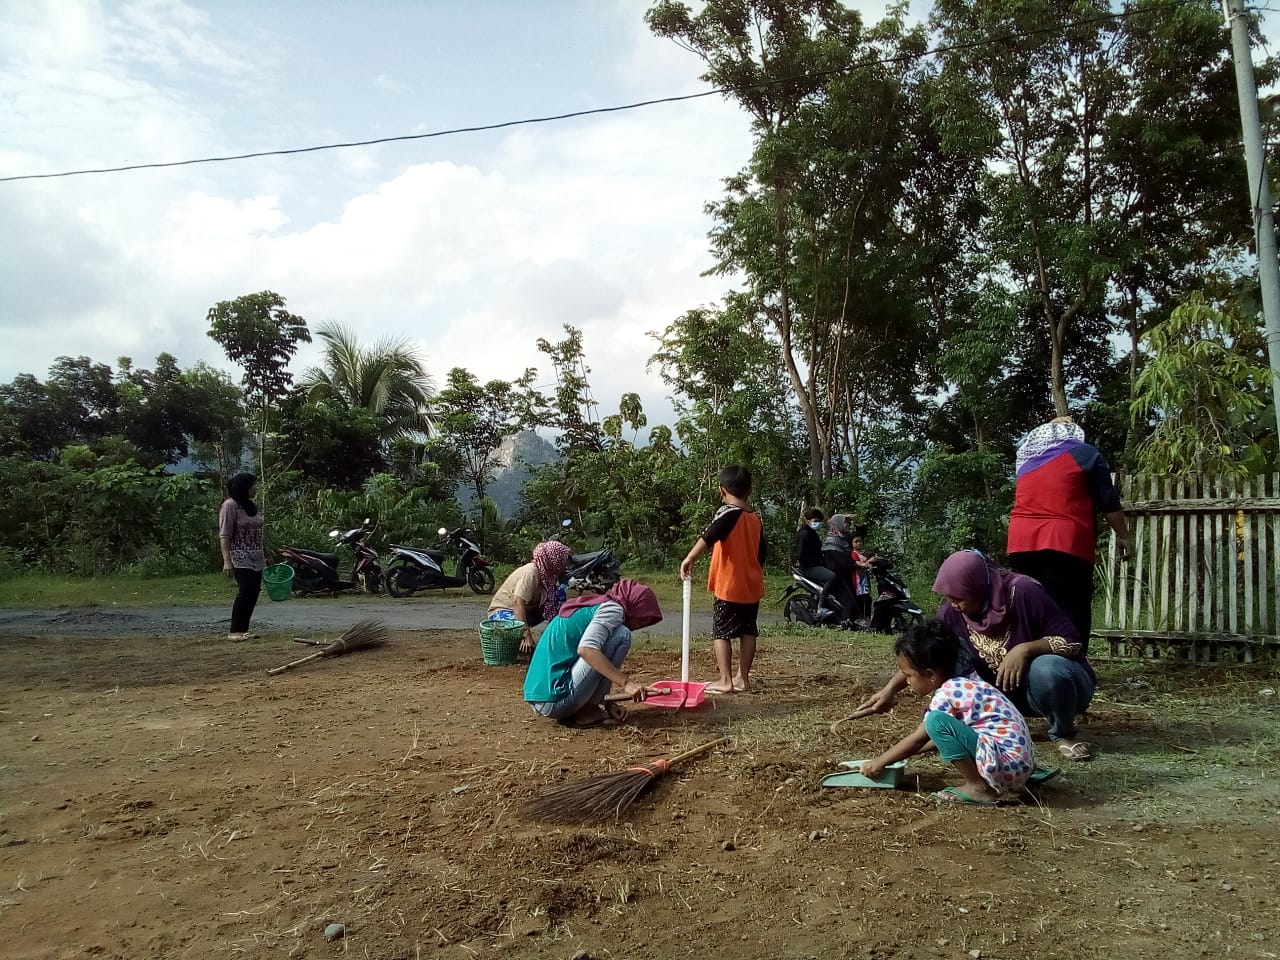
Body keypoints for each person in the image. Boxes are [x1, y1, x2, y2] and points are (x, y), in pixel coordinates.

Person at [853, 550, 1098, 762]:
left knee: (1046, 668)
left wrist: (1025, 649)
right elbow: (925, 652)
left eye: (960, 597)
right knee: (956, 664)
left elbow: (1072, 641)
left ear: (978, 587)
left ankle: (1062, 733)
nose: (954, 604)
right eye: (950, 598)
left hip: (1061, 689)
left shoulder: (1023, 592)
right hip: (1004, 697)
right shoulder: (953, 611)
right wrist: (889, 690)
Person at [860, 619, 1036, 804]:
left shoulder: (947, 693)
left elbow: (920, 737)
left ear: (931, 674)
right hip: (1020, 764)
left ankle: (978, 788)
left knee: (935, 721)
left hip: (1007, 766)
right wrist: (902, 755)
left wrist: (879, 762)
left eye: (909, 675)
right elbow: (940, 739)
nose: (907, 682)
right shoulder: (968, 682)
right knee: (937, 725)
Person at [1007, 415, 1133, 647]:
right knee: (1070, 611)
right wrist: (1124, 535)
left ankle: (1030, 659)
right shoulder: (1085, 454)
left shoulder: (1027, 458)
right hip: (1064, 541)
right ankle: (1071, 663)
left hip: (1020, 542)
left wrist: (1053, 425)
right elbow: (1108, 502)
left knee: (1031, 608)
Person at [523, 579, 663, 729]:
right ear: (635, 608)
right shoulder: (613, 609)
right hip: (554, 699)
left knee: (615, 635)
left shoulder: (595, 605)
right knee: (622, 634)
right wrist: (627, 683)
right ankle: (589, 711)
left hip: (541, 697)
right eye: (642, 621)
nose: (638, 626)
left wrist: (608, 703)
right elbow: (587, 650)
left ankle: (592, 706)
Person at [679, 465, 766, 694]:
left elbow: (709, 535)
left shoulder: (727, 513)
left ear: (722, 491)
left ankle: (725, 680)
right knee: (748, 630)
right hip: (751, 585)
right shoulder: (755, 519)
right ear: (749, 490)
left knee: (721, 631)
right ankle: (743, 678)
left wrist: (690, 557)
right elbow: (761, 554)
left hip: (729, 585)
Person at [488, 540, 573, 653]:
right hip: (503, 612)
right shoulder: (531, 572)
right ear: (554, 561)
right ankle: (519, 642)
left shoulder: (547, 576)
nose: (563, 565)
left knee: (560, 594)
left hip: (526, 612)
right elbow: (518, 603)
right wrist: (525, 633)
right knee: (516, 630)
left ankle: (552, 639)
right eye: (561, 561)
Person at [218, 472, 265, 641]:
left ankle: (243, 629)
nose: (255, 488)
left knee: (253, 592)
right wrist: (227, 561)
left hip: (256, 556)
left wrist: (267, 553)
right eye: (253, 485)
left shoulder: (250, 506)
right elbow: (225, 535)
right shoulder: (230, 505)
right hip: (239, 556)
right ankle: (235, 630)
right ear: (243, 487)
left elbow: (259, 532)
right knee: (245, 591)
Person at [819, 514, 858, 624]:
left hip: (845, 575)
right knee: (848, 601)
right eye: (845, 523)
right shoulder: (831, 541)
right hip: (837, 576)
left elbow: (859, 535)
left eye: (848, 523)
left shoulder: (843, 538)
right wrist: (856, 563)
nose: (847, 525)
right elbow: (841, 561)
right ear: (838, 524)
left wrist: (856, 521)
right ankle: (846, 622)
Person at [794, 508, 834, 596]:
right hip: (809, 568)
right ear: (807, 521)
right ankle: (823, 601)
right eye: (815, 521)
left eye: (819, 521)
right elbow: (801, 554)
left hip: (816, 565)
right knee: (831, 577)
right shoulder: (804, 534)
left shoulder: (812, 533)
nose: (818, 523)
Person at [850, 533, 873, 622]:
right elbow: (858, 563)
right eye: (856, 542)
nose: (859, 543)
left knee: (867, 598)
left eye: (860, 541)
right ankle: (861, 617)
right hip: (858, 580)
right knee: (861, 598)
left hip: (865, 578)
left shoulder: (864, 552)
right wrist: (868, 563)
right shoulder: (854, 553)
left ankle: (867, 617)